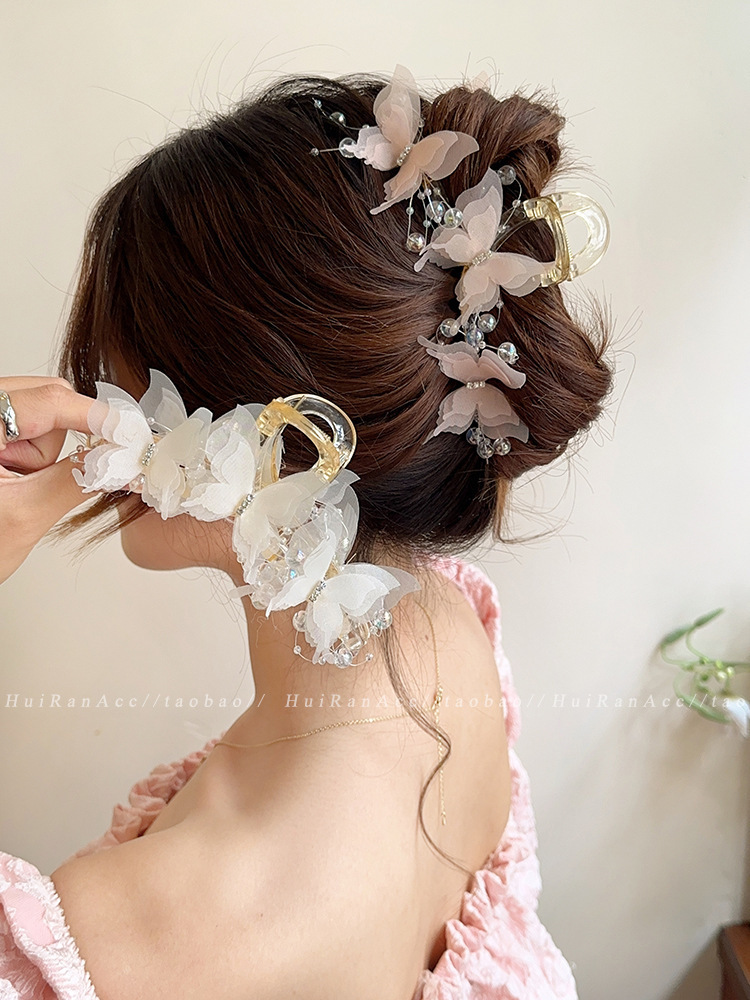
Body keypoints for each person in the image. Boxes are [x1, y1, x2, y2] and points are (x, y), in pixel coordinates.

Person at [0, 65, 614, 1000]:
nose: (95, 398)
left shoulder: (135, 935)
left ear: (289, 436)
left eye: (124, 360)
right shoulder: (447, 632)